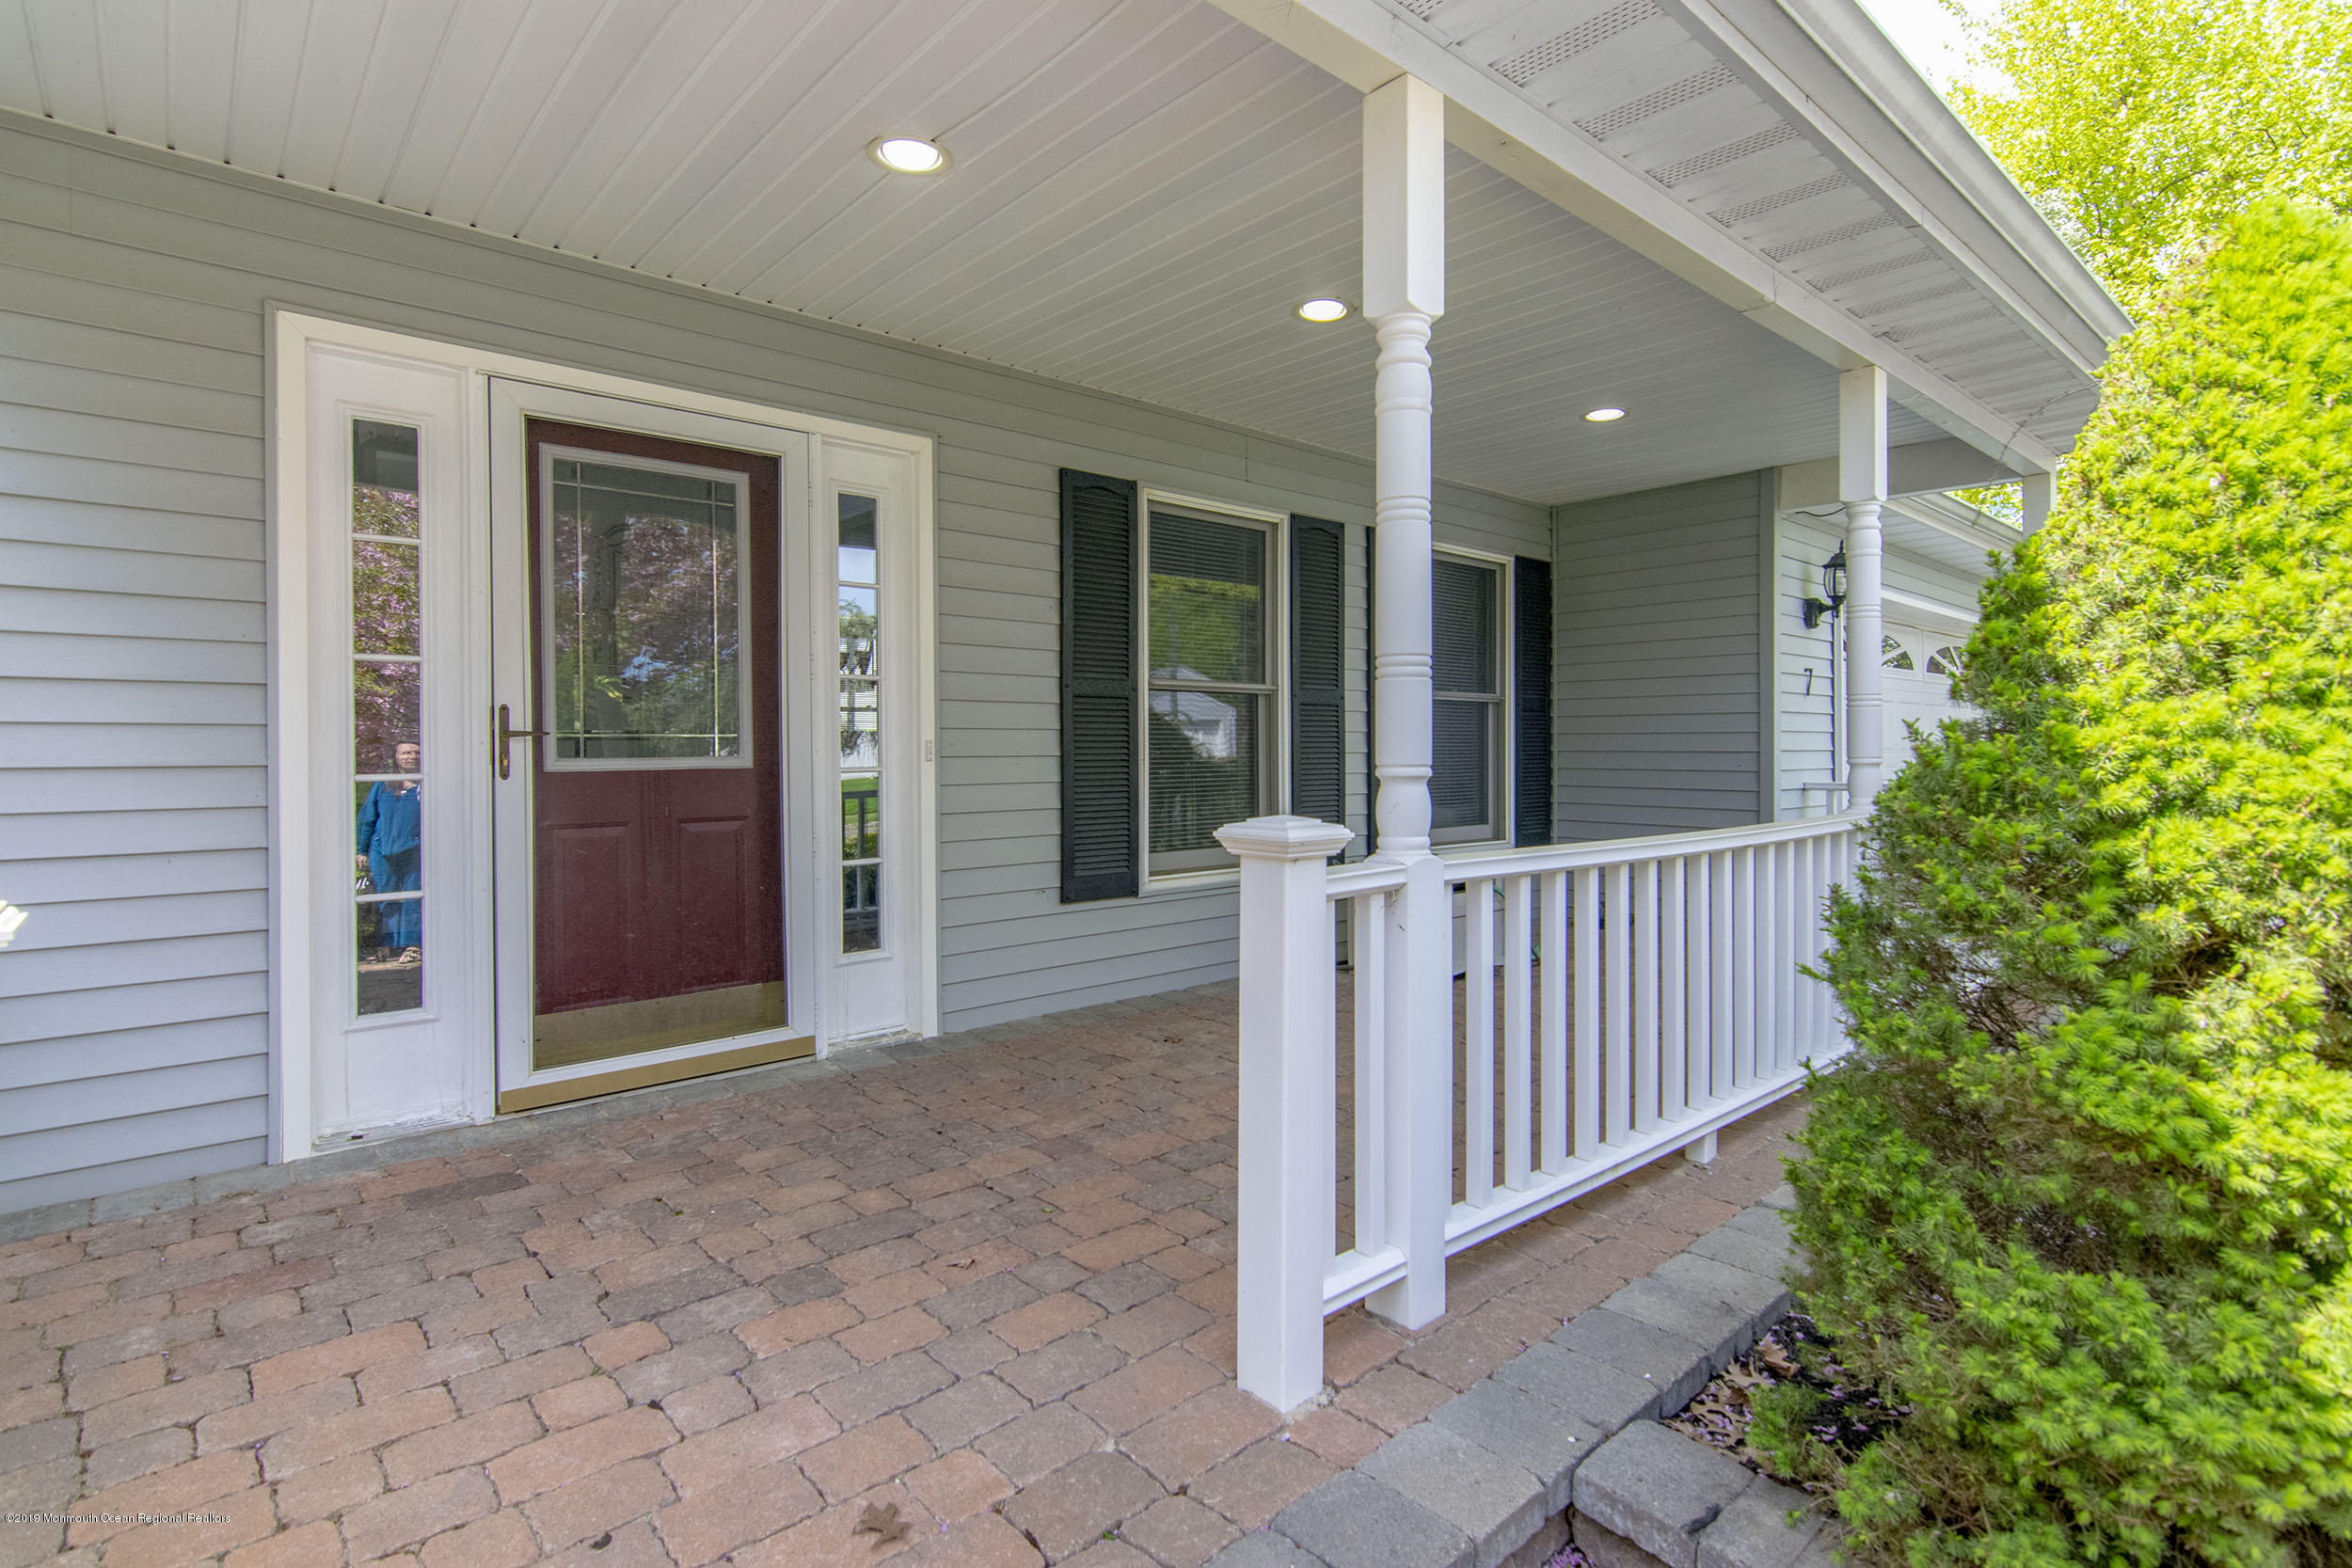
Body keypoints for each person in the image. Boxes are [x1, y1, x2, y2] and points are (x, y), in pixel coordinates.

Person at [356, 741, 422, 963]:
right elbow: (367, 818)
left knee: (414, 897)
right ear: (396, 757)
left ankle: (412, 946)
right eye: (406, 752)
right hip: (382, 850)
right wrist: (361, 851)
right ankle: (388, 946)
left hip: (415, 850)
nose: (411, 756)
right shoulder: (383, 785)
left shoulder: (426, 784)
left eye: (416, 752)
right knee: (387, 897)